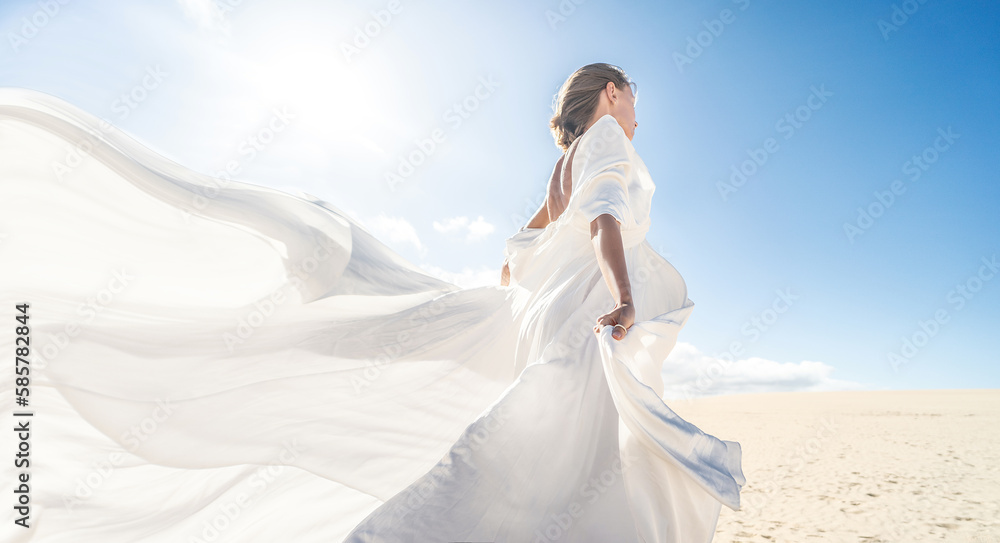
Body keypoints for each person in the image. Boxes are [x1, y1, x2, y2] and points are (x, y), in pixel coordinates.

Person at [0, 63, 743, 543]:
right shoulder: (610, 136)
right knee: (571, 462)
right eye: (632, 91)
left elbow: (546, 220)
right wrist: (620, 293)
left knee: (558, 456)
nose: (636, 106)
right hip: (582, 311)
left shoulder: (565, 158)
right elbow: (607, 211)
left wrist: (518, 262)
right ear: (610, 93)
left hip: (547, 312)